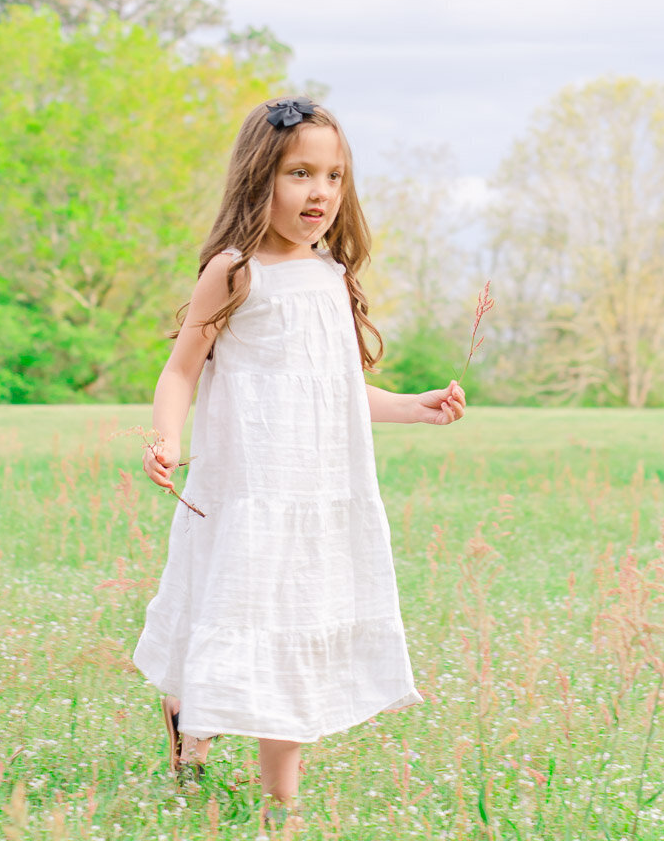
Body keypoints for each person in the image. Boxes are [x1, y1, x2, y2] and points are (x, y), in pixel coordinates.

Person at [133, 97, 466, 831]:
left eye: (335, 177)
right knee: (224, 619)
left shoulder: (331, 276)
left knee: (293, 631)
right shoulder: (234, 271)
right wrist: (165, 437)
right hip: (249, 492)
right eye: (300, 174)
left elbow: (340, 392)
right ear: (260, 178)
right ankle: (191, 734)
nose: (320, 193)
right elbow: (182, 370)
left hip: (317, 497)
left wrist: (417, 404)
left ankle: (283, 805)